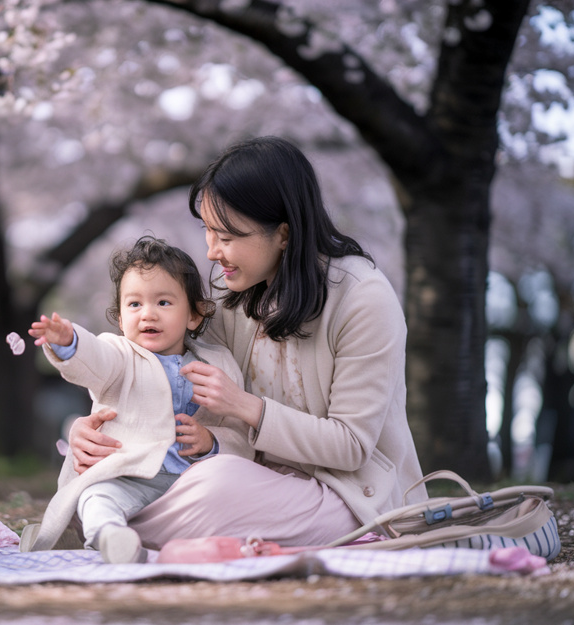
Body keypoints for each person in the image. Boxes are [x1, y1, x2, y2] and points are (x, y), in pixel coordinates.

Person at [67, 137, 427, 550]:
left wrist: (244, 406)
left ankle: (110, 526)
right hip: (252, 481)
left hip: (347, 497)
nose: (212, 251)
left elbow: (350, 447)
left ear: (284, 234)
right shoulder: (230, 294)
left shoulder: (363, 298)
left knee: (214, 484)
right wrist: (95, 431)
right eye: (208, 232)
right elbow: (158, 372)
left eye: (228, 236)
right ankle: (110, 521)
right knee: (117, 476)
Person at [21, 236, 254, 563]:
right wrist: (70, 342)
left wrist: (211, 441)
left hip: (191, 483)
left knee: (227, 498)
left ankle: (174, 546)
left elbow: (238, 432)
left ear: (194, 316)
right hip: (127, 476)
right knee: (96, 497)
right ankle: (111, 538)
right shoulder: (119, 356)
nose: (148, 315)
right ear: (119, 318)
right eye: (134, 304)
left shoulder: (218, 364)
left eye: (163, 303)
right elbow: (95, 358)